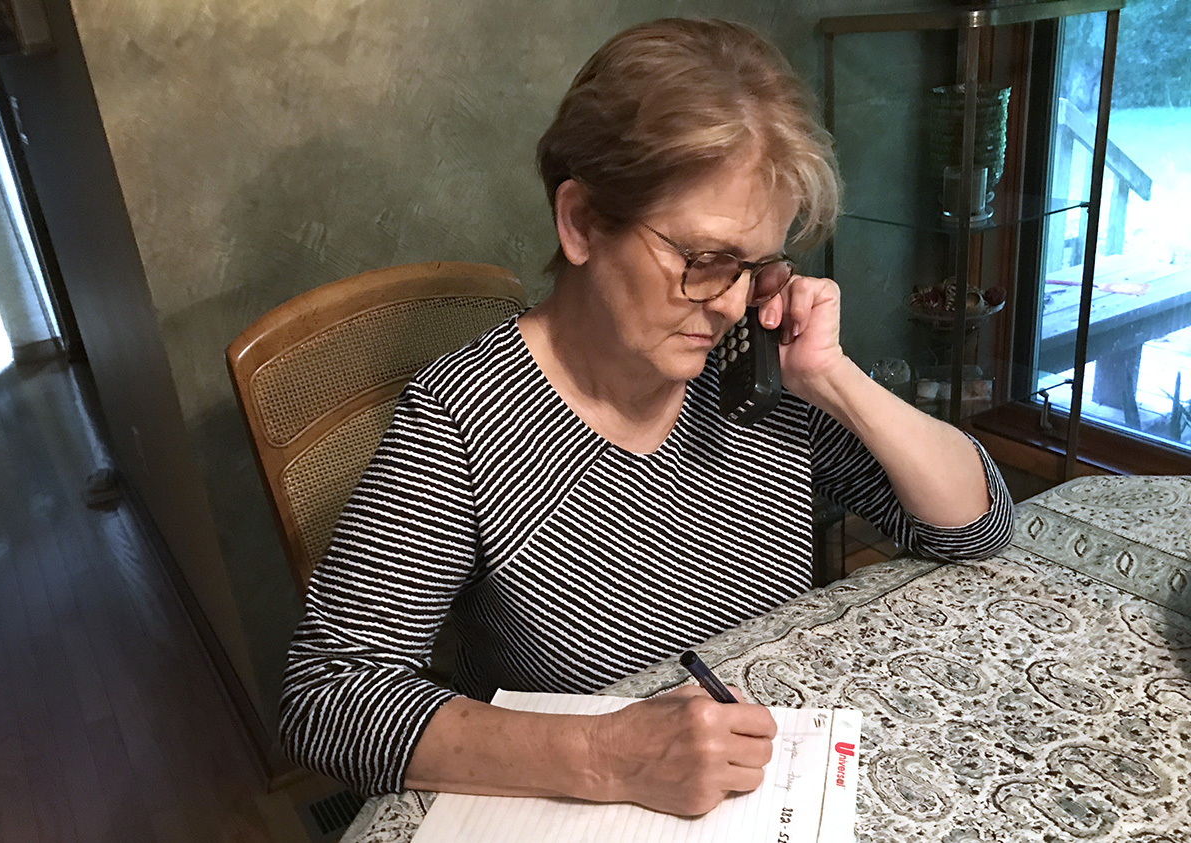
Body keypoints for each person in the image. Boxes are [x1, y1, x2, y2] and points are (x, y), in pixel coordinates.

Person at [280, 17, 1013, 817]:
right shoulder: (462, 416)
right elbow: (327, 699)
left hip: (766, 791)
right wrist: (608, 755)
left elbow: (973, 527)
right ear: (581, 222)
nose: (730, 302)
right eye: (703, 260)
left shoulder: (752, 370)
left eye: (756, 265)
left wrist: (832, 378)